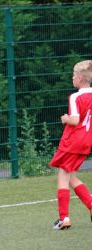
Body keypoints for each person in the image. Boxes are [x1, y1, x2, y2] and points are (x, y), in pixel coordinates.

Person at [49, 60, 92, 230]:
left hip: (72, 141)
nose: (72, 77)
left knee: (63, 176)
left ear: (80, 78)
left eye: (74, 75)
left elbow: (74, 120)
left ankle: (64, 218)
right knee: (72, 177)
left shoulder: (75, 96)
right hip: (86, 141)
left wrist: (65, 118)